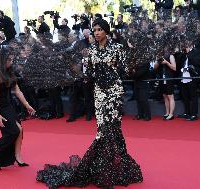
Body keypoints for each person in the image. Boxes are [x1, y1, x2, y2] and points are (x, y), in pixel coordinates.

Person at [37, 19, 143, 188]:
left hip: (114, 92)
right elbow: (90, 74)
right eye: (94, 29)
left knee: (113, 127)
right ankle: (103, 168)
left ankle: (116, 167)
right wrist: (76, 68)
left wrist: (132, 54)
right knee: (102, 129)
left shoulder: (117, 48)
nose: (96, 32)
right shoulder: (91, 51)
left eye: (100, 29)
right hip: (99, 92)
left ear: (106, 31)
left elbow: (125, 69)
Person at [0, 48, 35, 170]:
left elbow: (17, 91)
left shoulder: (9, 71)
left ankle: (17, 156)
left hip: (8, 104)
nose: (11, 62)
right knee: (13, 131)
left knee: (19, 129)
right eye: (9, 59)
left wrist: (27, 105)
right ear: (2, 60)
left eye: (12, 59)